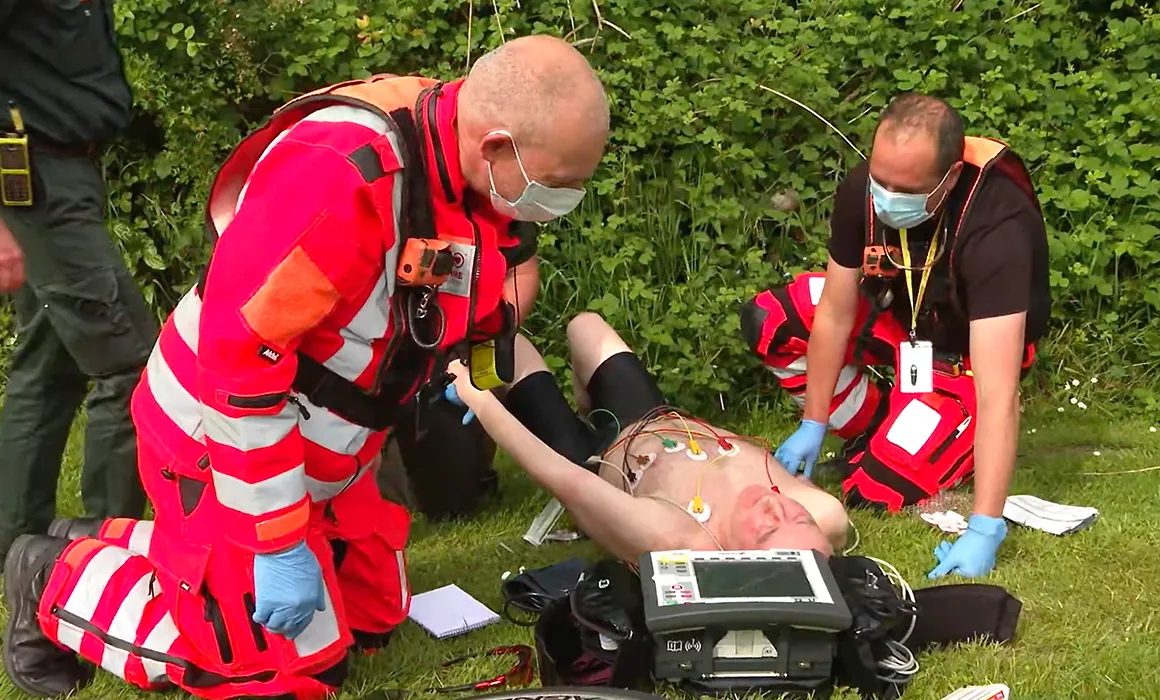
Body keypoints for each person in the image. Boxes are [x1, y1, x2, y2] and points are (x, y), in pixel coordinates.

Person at [2, 35, 610, 699]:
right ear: (497, 145)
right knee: (273, 671)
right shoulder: (337, 177)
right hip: (219, 439)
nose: (562, 202)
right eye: (558, 185)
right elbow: (238, 368)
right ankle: (51, 577)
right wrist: (275, 541)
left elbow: (480, 284)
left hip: (335, 445)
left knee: (374, 622)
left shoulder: (461, 158)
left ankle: (131, 540)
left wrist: (482, 376)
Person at [740, 93, 1050, 580]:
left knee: (876, 488)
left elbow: (998, 391)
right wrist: (814, 422)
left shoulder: (997, 226)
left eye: (903, 190)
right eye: (879, 181)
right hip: (902, 328)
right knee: (773, 318)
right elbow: (836, 314)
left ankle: (927, 434)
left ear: (947, 180)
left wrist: (986, 525)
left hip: (967, 359)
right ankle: (876, 424)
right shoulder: (863, 189)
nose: (885, 199)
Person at [445, 312, 850, 562]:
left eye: (767, 530)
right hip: (657, 420)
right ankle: (589, 409)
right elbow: (812, 520)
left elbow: (563, 478)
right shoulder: (824, 519)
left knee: (507, 349)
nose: (776, 507)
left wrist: (477, 400)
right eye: (797, 516)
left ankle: (574, 426)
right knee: (585, 327)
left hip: (593, 460)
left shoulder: (677, 537)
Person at [0, 0, 159, 561]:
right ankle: (108, 559)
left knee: (48, 366)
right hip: (34, 178)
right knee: (132, 366)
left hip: (64, 169)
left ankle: (16, 542)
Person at [377, 221, 541, 521]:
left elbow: (523, 269)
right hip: (372, 347)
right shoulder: (378, 187)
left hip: (453, 353)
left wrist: (488, 337)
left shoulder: (500, 195)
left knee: (451, 503)